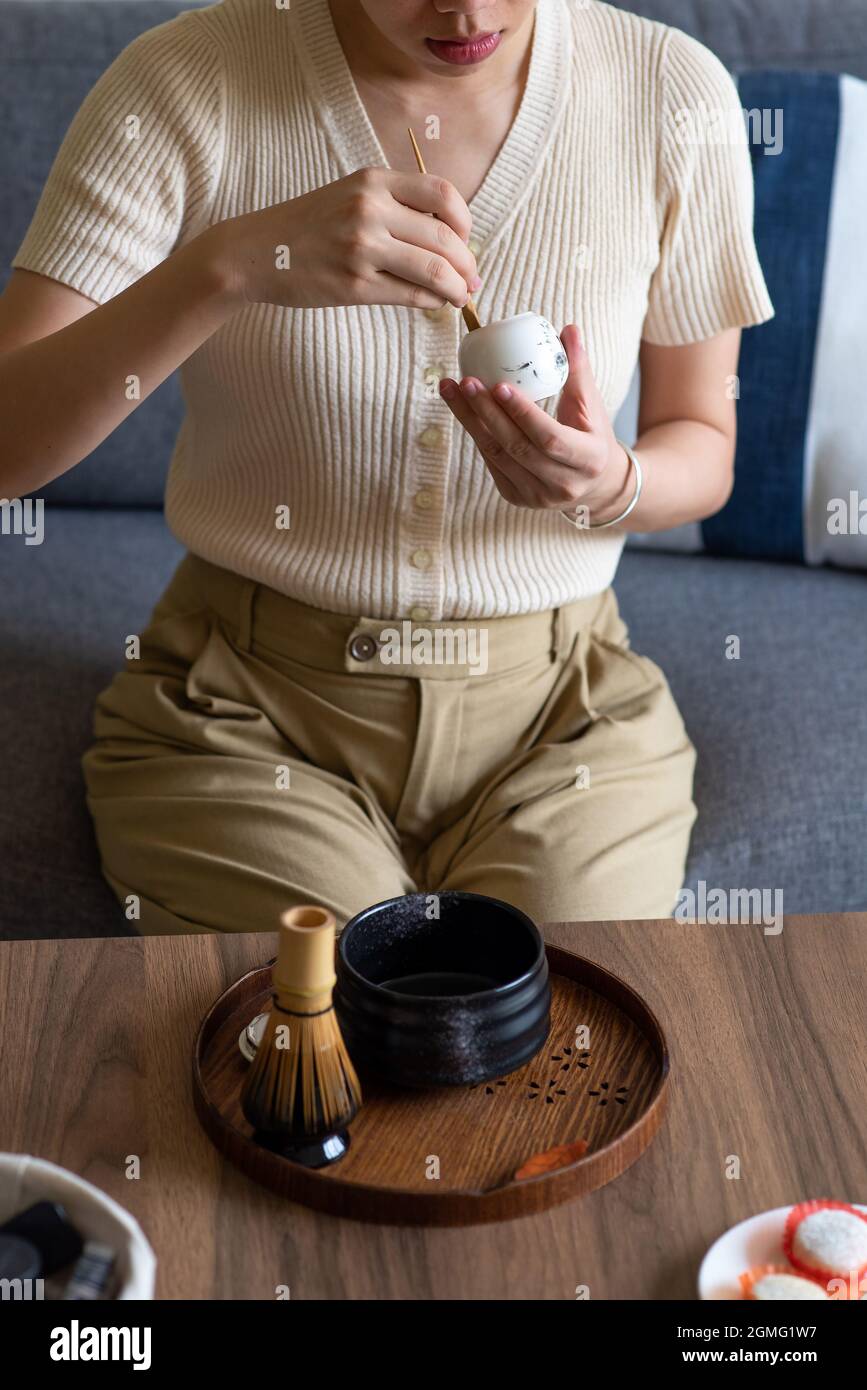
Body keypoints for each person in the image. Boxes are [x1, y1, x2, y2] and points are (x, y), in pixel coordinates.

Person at [0, 1, 774, 934]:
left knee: (563, 1041)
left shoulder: (671, 94)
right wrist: (231, 266)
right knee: (320, 1038)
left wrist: (613, 485)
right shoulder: (185, 81)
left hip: (560, 714)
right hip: (246, 711)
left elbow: (700, 435)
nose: (465, 10)